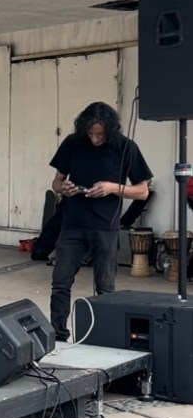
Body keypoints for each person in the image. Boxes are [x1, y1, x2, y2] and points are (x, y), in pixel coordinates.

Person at [49, 101, 152, 342]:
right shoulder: (73, 143)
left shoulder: (126, 148)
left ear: (110, 130)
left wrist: (112, 188)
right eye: (91, 133)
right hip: (72, 223)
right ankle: (58, 335)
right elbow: (55, 182)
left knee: (105, 288)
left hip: (105, 226)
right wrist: (63, 188)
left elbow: (143, 191)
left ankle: (103, 338)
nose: (95, 139)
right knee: (60, 283)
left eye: (100, 134)